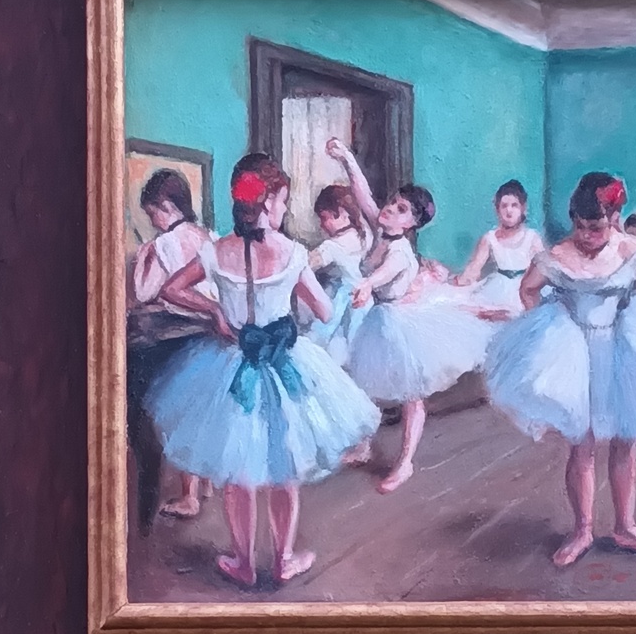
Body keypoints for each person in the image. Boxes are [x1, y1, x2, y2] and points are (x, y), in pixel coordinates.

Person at [145, 154, 380, 587]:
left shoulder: (216, 251)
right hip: (284, 362)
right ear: (269, 201)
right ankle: (284, 558)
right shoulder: (292, 253)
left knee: (239, 471)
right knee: (282, 465)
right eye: (283, 200)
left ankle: (243, 562)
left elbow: (171, 289)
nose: (285, 208)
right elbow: (325, 311)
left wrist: (215, 309)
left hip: (231, 360)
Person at [486, 172, 636, 566]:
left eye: (595, 227)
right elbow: (528, 289)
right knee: (583, 443)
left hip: (619, 348)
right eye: (580, 226)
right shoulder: (559, 255)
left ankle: (626, 526)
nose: (587, 235)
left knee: (625, 440)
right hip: (576, 352)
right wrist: (552, 326)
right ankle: (582, 530)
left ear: (613, 218)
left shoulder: (631, 250)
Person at [327, 138, 494, 494]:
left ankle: (405, 462)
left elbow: (382, 275)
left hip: (400, 321)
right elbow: (363, 195)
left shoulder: (401, 251)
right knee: (364, 383)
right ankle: (363, 444)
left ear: (412, 223)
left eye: (401, 209)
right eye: (392, 202)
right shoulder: (382, 228)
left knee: (411, 393)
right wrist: (347, 159)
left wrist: (367, 284)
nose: (390, 209)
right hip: (378, 318)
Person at [127, 169, 216, 524]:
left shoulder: (165, 243)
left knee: (177, 413)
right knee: (201, 410)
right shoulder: (208, 236)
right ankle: (206, 483)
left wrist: (144, 255)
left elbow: (144, 292)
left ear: (166, 206)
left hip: (177, 333)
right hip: (209, 332)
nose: (152, 221)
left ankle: (188, 496)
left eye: (153, 213)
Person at [453, 180, 545, 317]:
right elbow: (474, 268)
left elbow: (543, 270)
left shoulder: (532, 238)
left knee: (521, 316)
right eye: (504, 206)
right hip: (497, 289)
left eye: (514, 205)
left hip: (524, 289)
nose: (509, 211)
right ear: (497, 210)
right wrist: (457, 282)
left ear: (523, 208)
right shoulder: (489, 238)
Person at [304, 184, 373, 366]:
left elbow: (304, 266)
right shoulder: (364, 233)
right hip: (363, 298)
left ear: (341, 213)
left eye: (324, 218)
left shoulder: (331, 247)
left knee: (325, 342)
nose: (322, 225)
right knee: (355, 344)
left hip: (340, 299)